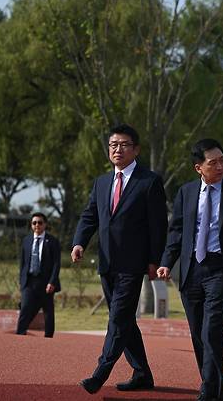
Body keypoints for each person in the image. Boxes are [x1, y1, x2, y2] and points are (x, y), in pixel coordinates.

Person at [157, 138, 223, 401]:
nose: (221, 166)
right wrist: (167, 261)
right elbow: (177, 230)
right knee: (198, 334)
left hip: (221, 269)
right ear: (198, 167)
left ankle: (208, 389)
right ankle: (220, 386)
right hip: (191, 269)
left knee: (212, 330)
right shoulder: (186, 192)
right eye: (213, 163)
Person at [72, 124, 167, 394]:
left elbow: (157, 226)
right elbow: (90, 215)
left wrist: (154, 260)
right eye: (113, 144)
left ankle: (100, 372)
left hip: (133, 264)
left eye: (124, 144)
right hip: (107, 262)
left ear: (136, 149)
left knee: (117, 319)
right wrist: (80, 241)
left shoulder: (149, 182)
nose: (118, 149)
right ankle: (142, 373)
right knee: (124, 320)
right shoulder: (102, 182)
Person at [16, 212, 61, 338]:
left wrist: (52, 281)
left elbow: (57, 264)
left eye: (40, 222)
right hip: (29, 281)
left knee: (48, 312)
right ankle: (20, 334)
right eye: (34, 223)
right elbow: (23, 263)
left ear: (45, 224)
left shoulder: (52, 242)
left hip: (46, 282)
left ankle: (48, 338)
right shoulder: (26, 241)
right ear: (31, 225)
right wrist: (22, 282)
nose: (37, 225)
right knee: (25, 308)